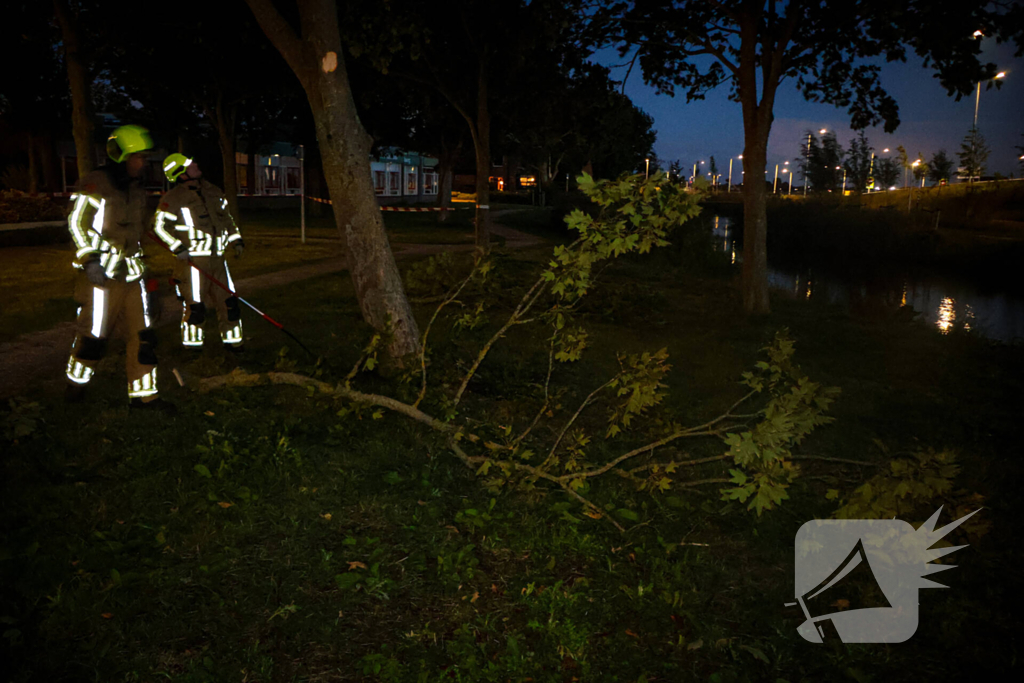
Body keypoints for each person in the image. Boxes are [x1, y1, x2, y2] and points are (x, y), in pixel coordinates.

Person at [64, 124, 175, 412]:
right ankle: (76, 385)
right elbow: (78, 222)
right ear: (121, 156)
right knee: (94, 336)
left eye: (144, 157)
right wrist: (90, 260)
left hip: (133, 275)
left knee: (143, 336)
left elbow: (137, 229)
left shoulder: (136, 189)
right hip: (103, 278)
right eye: (138, 157)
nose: (143, 162)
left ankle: (144, 397)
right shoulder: (96, 184)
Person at [154, 154, 246, 353]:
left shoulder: (213, 191)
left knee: (229, 303)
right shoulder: (173, 199)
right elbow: (160, 227)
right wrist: (177, 247)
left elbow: (227, 219)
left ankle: (234, 344)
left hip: (218, 259)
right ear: (180, 173)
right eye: (190, 164)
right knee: (196, 307)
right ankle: (193, 349)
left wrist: (235, 240)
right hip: (193, 261)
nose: (195, 164)